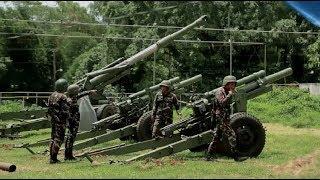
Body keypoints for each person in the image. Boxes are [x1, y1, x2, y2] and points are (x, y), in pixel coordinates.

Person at [206, 75, 248, 162]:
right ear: (226, 84)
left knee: (216, 137)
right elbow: (222, 104)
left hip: (224, 116)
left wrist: (232, 94)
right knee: (232, 135)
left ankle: (209, 156)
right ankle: (236, 156)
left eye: (234, 84)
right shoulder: (220, 92)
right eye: (231, 84)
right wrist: (229, 95)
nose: (233, 86)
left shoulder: (227, 91)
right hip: (220, 117)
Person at [64, 84, 97, 160]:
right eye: (77, 91)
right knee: (70, 138)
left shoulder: (71, 98)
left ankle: (68, 155)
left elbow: (81, 94)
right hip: (72, 122)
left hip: (72, 121)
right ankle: (68, 156)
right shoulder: (71, 100)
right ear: (75, 92)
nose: (78, 92)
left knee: (70, 138)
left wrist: (89, 92)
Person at [47, 78, 70, 164]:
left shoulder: (51, 95)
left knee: (53, 138)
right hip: (61, 121)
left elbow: (49, 109)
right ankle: (54, 159)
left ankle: (52, 157)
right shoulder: (63, 96)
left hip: (53, 120)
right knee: (59, 138)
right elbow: (65, 110)